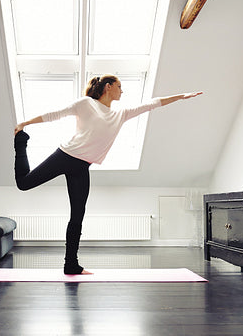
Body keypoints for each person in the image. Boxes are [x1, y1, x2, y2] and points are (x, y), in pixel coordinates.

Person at [13, 74, 202, 275]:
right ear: (108, 87)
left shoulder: (120, 115)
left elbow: (152, 104)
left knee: (77, 216)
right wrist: (25, 123)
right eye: (120, 86)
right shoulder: (87, 104)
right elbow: (56, 114)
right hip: (65, 156)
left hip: (82, 167)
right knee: (24, 183)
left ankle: (71, 264)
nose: (122, 91)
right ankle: (20, 142)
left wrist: (181, 96)